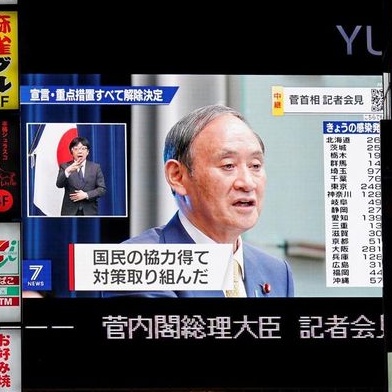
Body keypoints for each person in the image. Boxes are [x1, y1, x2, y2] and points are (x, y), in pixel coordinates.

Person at [124, 104, 294, 298]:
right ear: (177, 176)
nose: (247, 183)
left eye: (255, 165)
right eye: (228, 165)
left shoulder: (277, 273)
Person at [55, 136, 106, 216]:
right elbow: (59, 184)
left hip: (89, 211)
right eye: (76, 149)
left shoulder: (95, 167)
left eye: (83, 148)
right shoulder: (65, 167)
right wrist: (68, 171)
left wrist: (86, 195)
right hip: (69, 211)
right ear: (71, 151)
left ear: (88, 152)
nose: (80, 151)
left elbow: (102, 189)